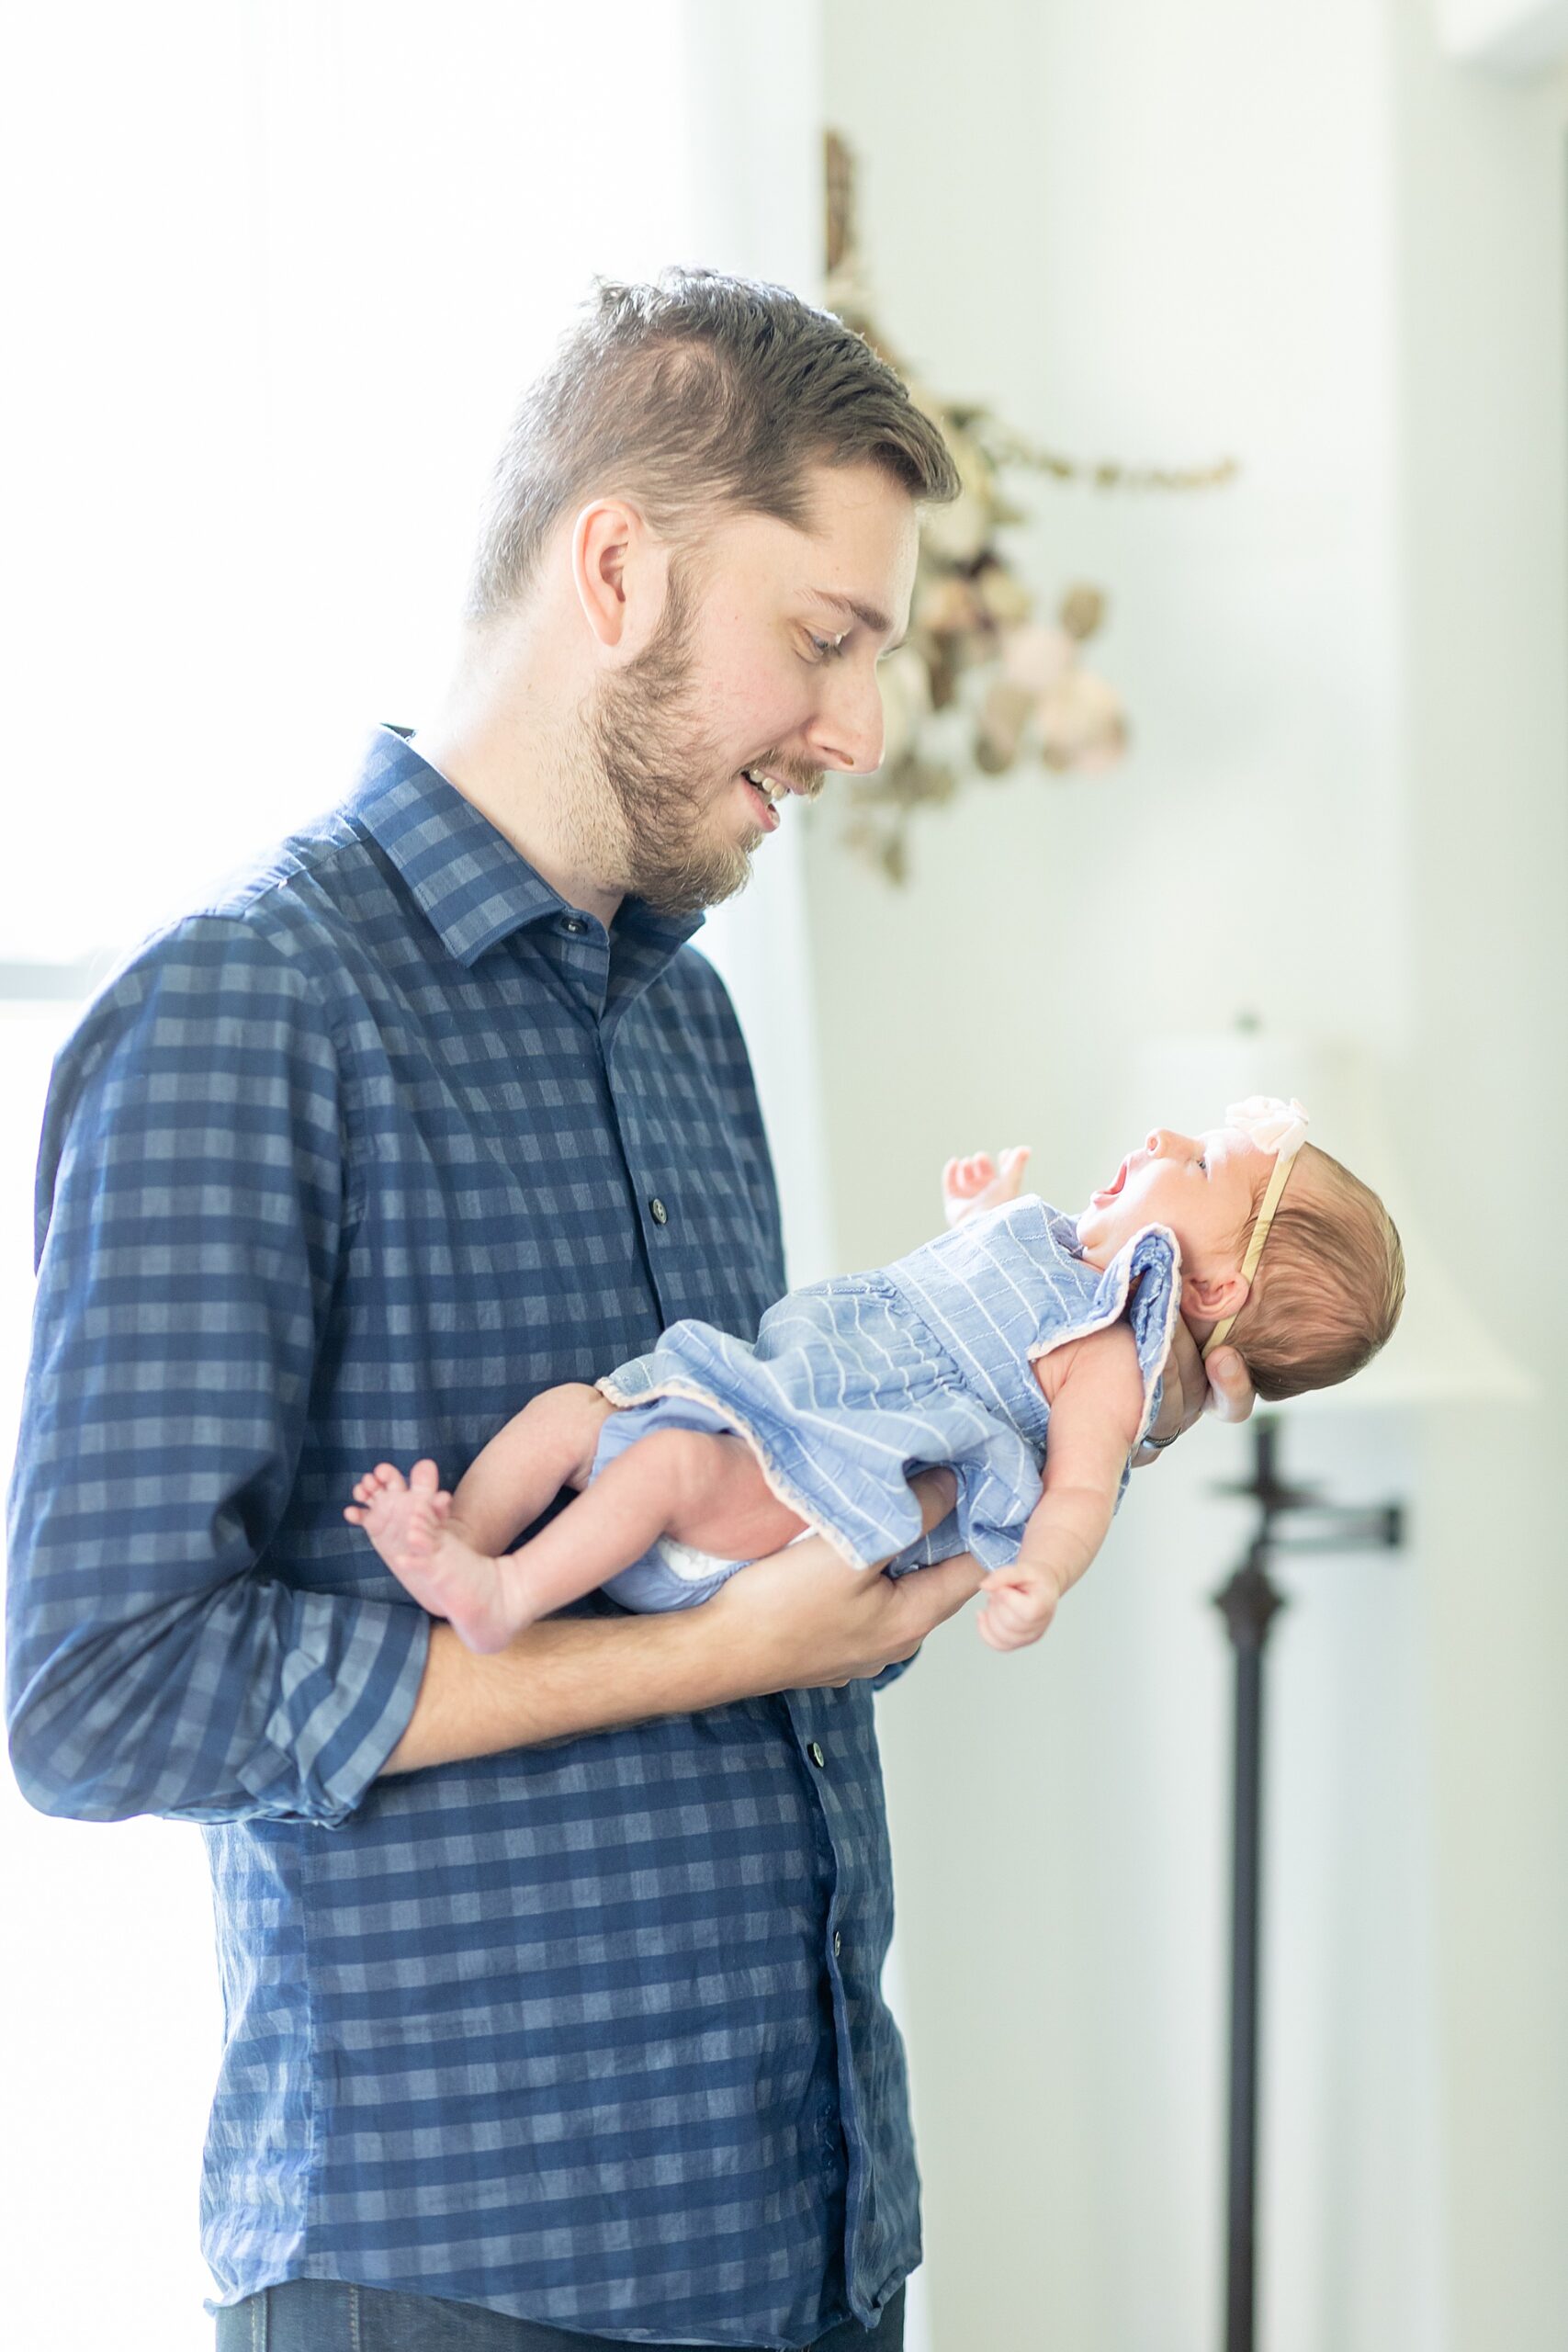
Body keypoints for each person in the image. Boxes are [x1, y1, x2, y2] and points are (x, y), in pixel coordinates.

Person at [6, 269, 1255, 2352]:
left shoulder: (682, 1019)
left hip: (802, 2228)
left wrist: (1074, 1407)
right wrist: (687, 1663)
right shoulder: (241, 1007)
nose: (856, 731)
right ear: (616, 566)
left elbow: (729, 1556)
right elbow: (91, 1689)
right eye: (822, 640)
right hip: (467, 2270)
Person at [346, 1102, 1402, 1661]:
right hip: (762, 1402)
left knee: (665, 1466)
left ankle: (505, 1596)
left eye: (1204, 1164)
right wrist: (981, 1220)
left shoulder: (1108, 1354)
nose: (1165, 1135)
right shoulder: (1056, 1257)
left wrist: (1044, 1573)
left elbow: (1079, 1487)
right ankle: (458, 1546)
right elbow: (966, 1311)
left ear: (1212, 1286)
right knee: (569, 1414)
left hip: (803, 1489)